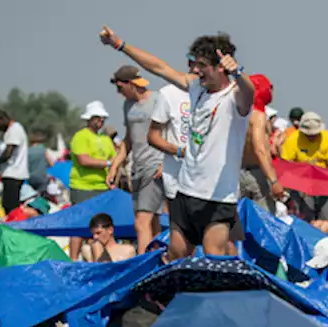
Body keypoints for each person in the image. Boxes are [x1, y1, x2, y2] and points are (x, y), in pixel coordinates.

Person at [100, 26, 254, 260]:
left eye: (201, 65)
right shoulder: (197, 88)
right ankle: (165, 295)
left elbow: (249, 92)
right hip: (186, 192)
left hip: (219, 198)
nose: (194, 70)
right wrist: (120, 45)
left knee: (214, 256)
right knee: (177, 253)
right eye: (193, 64)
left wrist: (239, 73)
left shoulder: (236, 97)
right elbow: (159, 67)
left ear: (220, 67)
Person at [107, 65, 166, 254]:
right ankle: (157, 259)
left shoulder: (158, 100)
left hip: (154, 165)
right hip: (137, 167)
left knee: (141, 221)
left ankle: (141, 265)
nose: (119, 93)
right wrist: (114, 166)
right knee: (153, 221)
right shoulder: (128, 106)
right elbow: (128, 139)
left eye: (120, 88)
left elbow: (173, 132)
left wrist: (166, 162)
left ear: (131, 84)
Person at [67, 100, 116, 260]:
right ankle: (73, 260)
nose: (101, 121)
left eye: (103, 118)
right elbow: (84, 160)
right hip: (82, 187)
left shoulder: (106, 139)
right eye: (97, 117)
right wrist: (109, 163)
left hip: (102, 188)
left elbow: (115, 158)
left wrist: (114, 172)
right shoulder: (81, 136)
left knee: (100, 226)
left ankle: (98, 259)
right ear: (89, 118)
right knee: (80, 226)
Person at [281, 111, 328, 221]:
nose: (312, 136)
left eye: (315, 134)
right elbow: (285, 166)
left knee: (326, 220)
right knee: (306, 219)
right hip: (301, 185)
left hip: (325, 184)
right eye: (309, 134)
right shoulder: (293, 139)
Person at [238, 73, 286, 213]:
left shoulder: (237, 113)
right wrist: (274, 181)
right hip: (256, 173)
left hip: (235, 172)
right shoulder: (258, 116)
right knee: (263, 221)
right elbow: (260, 150)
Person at [146, 81, 189, 215]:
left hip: (212, 184)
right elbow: (153, 136)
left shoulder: (225, 93)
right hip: (178, 181)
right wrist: (179, 151)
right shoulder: (169, 93)